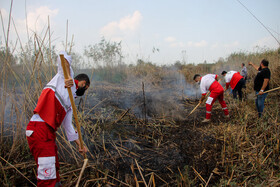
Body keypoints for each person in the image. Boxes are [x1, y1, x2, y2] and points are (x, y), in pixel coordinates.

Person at [25, 51, 90, 186]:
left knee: (54, 171)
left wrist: (80, 145)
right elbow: (63, 58)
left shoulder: (70, 102)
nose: (85, 90)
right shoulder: (64, 78)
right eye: (86, 87)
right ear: (83, 83)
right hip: (39, 130)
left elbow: (68, 127)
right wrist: (68, 77)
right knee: (47, 176)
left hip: (49, 133)